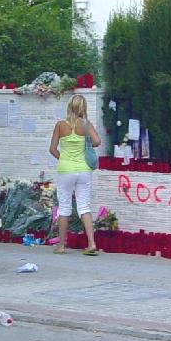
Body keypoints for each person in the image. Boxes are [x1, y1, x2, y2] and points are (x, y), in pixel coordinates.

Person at [49, 94, 101, 255]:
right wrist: (87, 144)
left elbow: (52, 149)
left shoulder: (60, 125)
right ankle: (91, 244)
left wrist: (63, 159)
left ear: (69, 106)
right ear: (83, 108)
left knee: (64, 207)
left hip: (66, 170)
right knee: (84, 206)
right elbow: (97, 141)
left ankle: (61, 245)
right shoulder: (86, 125)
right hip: (84, 169)